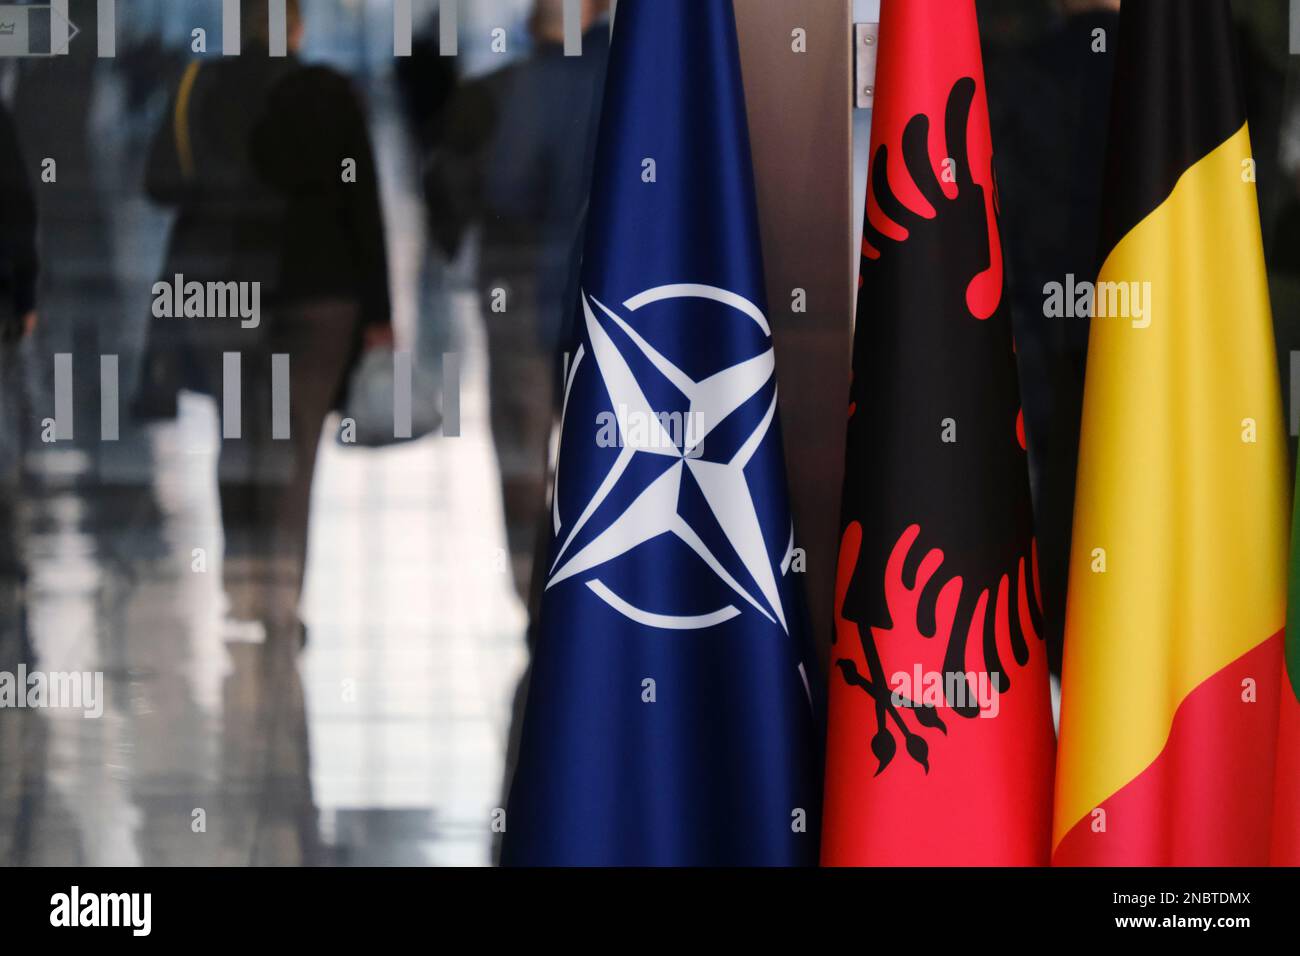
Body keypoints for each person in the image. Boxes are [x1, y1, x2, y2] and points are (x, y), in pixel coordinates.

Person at [141, 0, 393, 644]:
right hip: (319, 295)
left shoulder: (203, 87)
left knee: (238, 438)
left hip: (226, 289)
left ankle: (242, 586)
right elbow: (361, 201)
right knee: (294, 447)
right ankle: (281, 599)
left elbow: (159, 184)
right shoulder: (331, 94)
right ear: (298, 29)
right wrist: (380, 311)